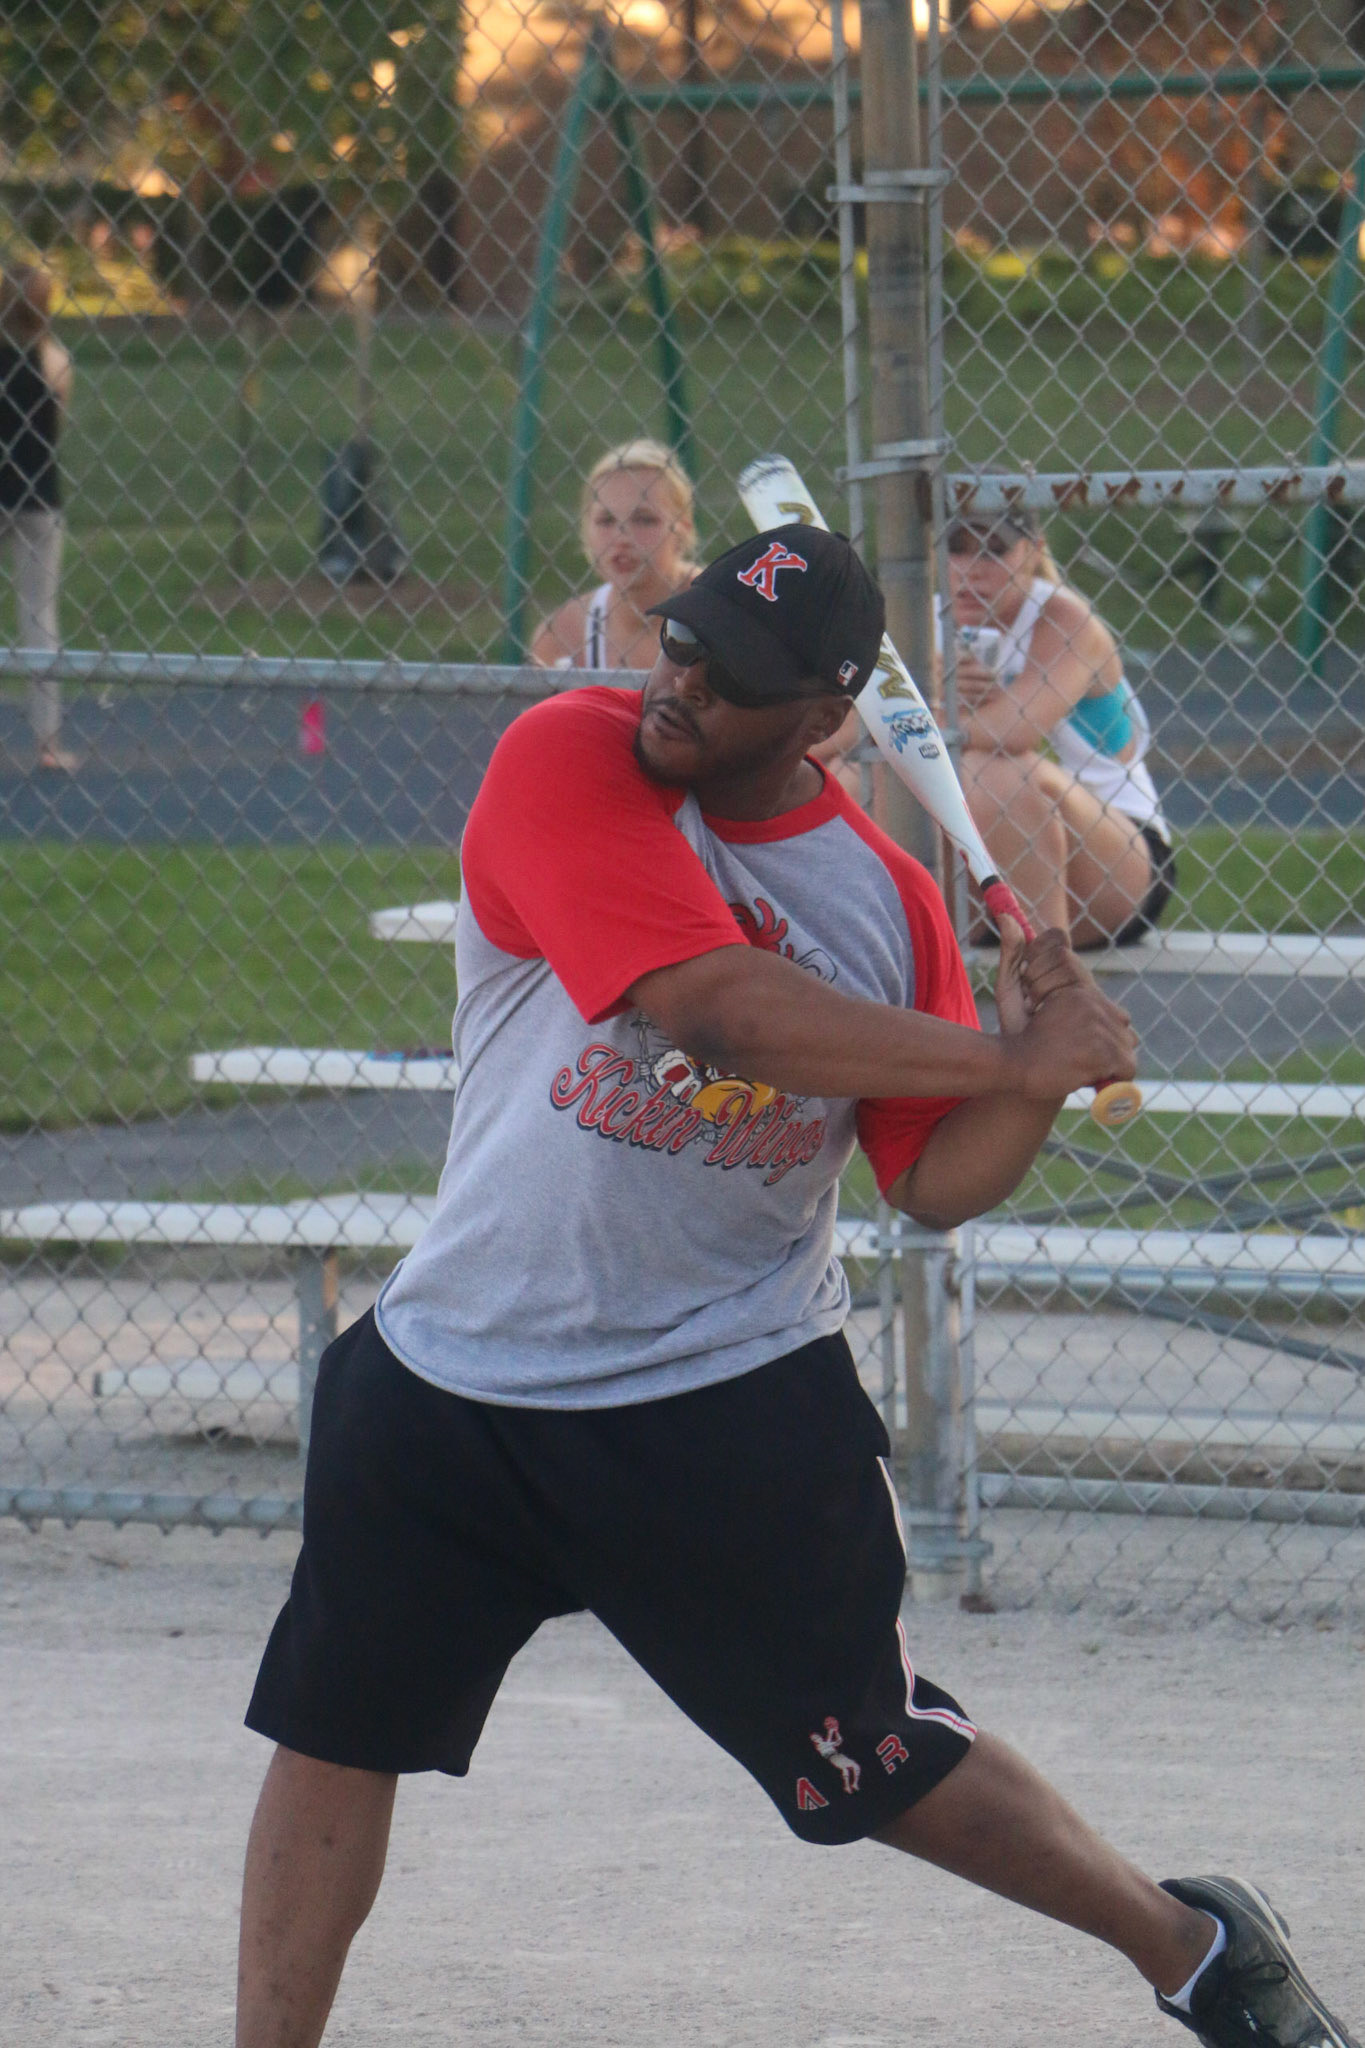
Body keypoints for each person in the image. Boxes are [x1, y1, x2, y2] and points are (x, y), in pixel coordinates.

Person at [235, 527, 1355, 2048]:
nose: (681, 682)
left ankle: (1197, 1947)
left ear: (824, 721)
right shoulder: (569, 752)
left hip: (721, 1392)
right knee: (334, 1728)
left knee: (870, 1762)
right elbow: (716, 1010)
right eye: (684, 639)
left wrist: (1028, 1086)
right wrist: (1005, 1055)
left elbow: (930, 1180)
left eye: (731, 676)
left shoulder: (885, 902)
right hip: (455, 1371)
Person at [946, 505, 1175, 947]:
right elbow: (849, 732)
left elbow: (1013, 733)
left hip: (1112, 855)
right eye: (955, 548)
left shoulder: (1064, 619)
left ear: (1034, 551)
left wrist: (925, 709)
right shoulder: (920, 618)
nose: (970, 569)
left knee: (996, 773)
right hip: (979, 857)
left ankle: (1048, 974)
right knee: (856, 774)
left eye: (992, 551)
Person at [530, 437, 698, 671]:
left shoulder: (720, 610)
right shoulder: (563, 634)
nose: (622, 537)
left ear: (682, 528)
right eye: (606, 520)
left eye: (644, 519)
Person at [0, 262, 72, 770]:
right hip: (39, 496)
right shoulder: (55, 359)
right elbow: (54, 426)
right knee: (39, 615)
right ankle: (47, 741)